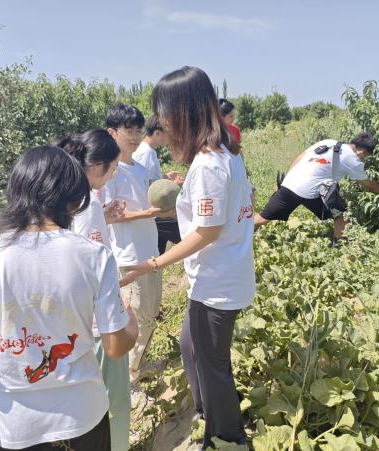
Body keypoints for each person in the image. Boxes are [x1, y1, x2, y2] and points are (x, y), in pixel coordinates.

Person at [0, 146, 138, 450]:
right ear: (72, 198)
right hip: (84, 415)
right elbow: (116, 346)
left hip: (17, 426)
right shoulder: (94, 257)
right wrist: (130, 327)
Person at [121, 67, 255, 449]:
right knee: (190, 347)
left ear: (184, 111)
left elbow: (206, 231)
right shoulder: (221, 154)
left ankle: (227, 437)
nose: (161, 120)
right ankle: (207, 413)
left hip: (218, 280)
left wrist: (152, 264)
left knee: (213, 364)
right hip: (217, 274)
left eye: (164, 111)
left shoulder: (211, 164)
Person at [53, 130, 131, 451]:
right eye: (113, 168)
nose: (113, 175)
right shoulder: (88, 206)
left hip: (72, 324)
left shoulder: (65, 201)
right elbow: (91, 267)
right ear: (96, 166)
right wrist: (119, 311)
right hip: (99, 327)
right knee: (112, 406)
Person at [104, 104, 174, 385]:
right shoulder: (111, 171)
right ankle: (127, 379)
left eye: (137, 130)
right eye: (127, 130)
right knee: (134, 318)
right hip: (129, 255)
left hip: (150, 251)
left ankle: (137, 367)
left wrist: (167, 186)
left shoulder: (141, 168)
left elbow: (151, 200)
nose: (133, 136)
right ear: (112, 132)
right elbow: (108, 214)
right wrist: (148, 213)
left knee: (150, 313)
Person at [254, 133, 379, 241]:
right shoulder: (352, 160)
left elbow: (300, 157)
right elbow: (370, 185)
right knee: (341, 217)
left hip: (290, 184)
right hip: (309, 191)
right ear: (361, 151)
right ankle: (339, 248)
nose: (364, 159)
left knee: (263, 218)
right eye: (365, 156)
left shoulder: (328, 142)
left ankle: (240, 234)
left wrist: (284, 182)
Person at [133, 115, 184, 255]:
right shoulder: (146, 153)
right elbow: (148, 187)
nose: (169, 137)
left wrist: (165, 177)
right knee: (186, 236)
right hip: (155, 213)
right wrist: (173, 184)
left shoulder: (148, 151)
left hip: (155, 213)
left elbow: (148, 178)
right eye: (167, 133)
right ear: (157, 133)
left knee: (156, 252)